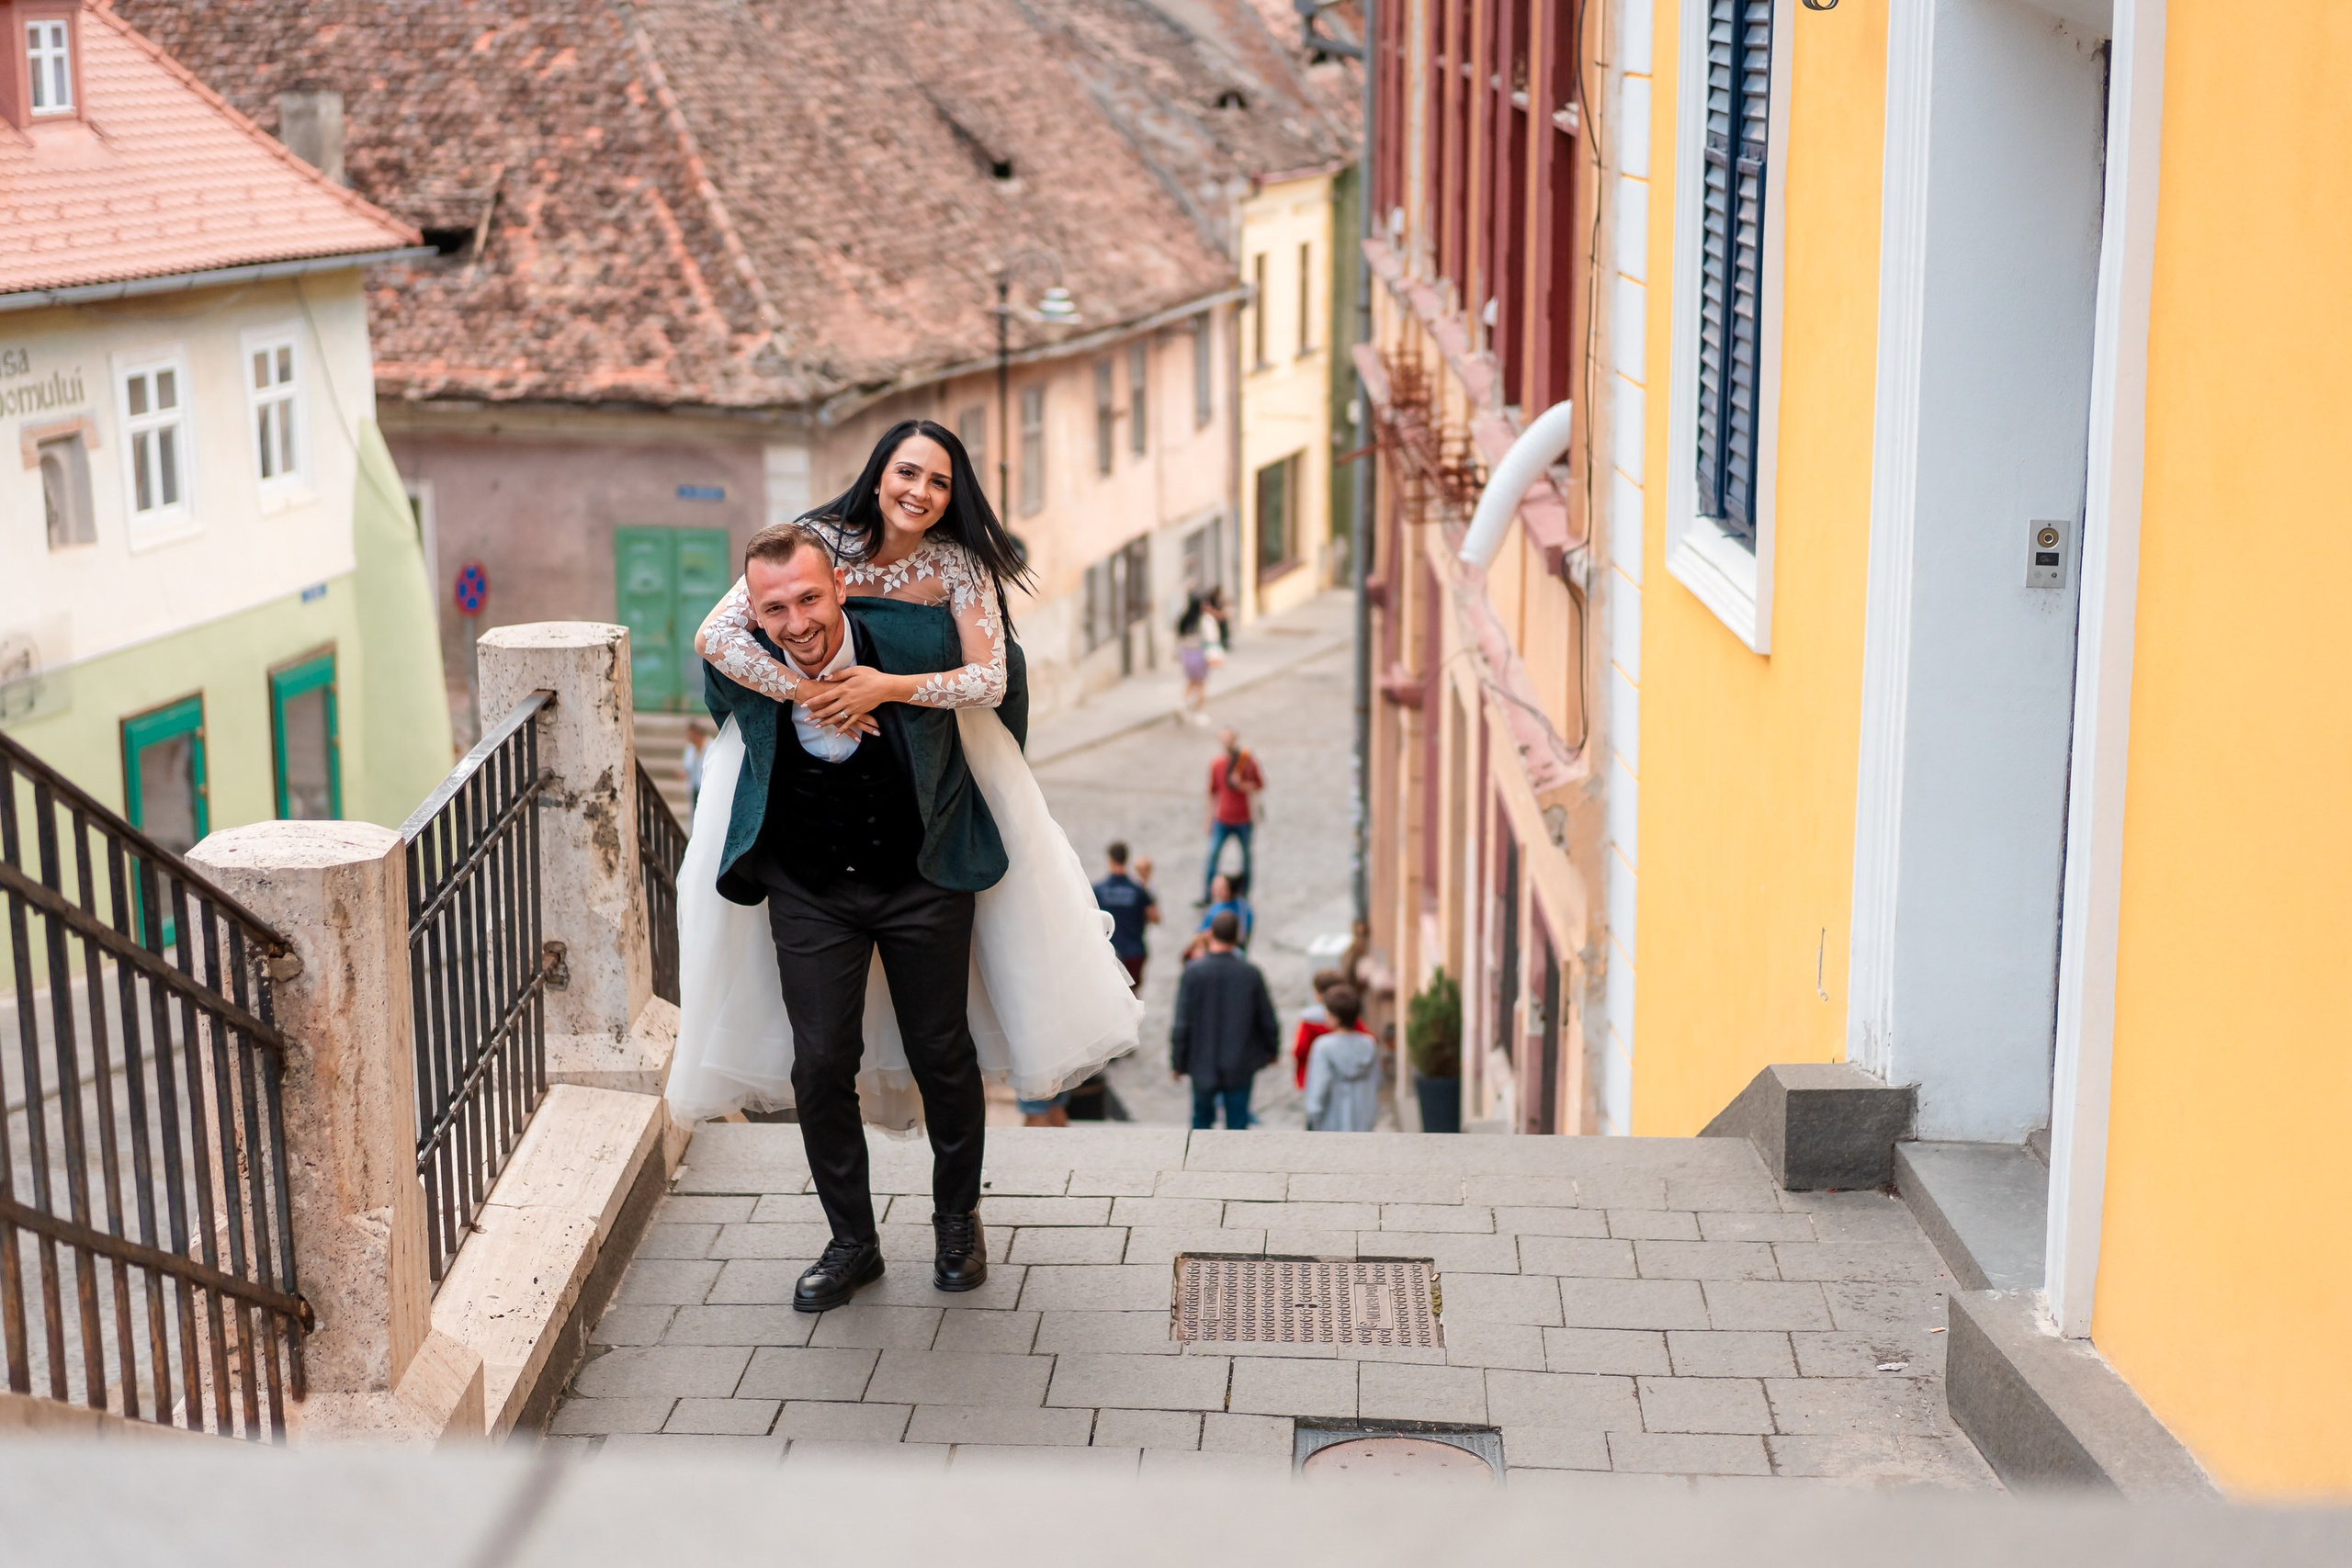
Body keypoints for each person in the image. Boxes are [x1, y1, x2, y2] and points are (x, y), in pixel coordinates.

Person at [663, 420, 1142, 1314]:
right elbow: (715, 636)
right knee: (819, 1063)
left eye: (938, 480)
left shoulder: (957, 568)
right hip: (808, 875)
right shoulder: (814, 547)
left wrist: (884, 688)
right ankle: (851, 1241)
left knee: (942, 1052)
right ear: (878, 473)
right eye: (906, 471)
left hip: (923, 860)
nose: (919, 491)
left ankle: (958, 1221)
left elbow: (991, 679)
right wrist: (812, 690)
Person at [1170, 908, 1276, 1130]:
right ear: (1238, 936)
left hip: (1201, 1061)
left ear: (1211, 934)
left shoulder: (1193, 973)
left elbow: (1182, 1022)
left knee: (1201, 1123)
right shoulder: (1250, 973)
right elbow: (1266, 1018)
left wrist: (1177, 1061)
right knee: (1237, 1125)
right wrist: (1271, 1050)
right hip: (1240, 1061)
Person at [1303, 986, 1379, 1132]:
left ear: (1335, 1018)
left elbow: (1318, 1087)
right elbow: (1377, 1081)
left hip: (1332, 1121)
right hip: (1363, 1119)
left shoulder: (1323, 1047)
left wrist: (1313, 1115)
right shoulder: (1369, 1044)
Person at [1202, 728, 1262, 904]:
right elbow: (1212, 793)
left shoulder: (1247, 762)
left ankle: (1244, 893)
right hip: (1222, 818)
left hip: (1243, 819)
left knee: (1246, 858)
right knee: (1213, 856)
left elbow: (1259, 785)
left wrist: (1241, 784)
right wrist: (1208, 820)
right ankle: (1209, 893)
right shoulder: (1217, 764)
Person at [1092, 840, 1158, 994]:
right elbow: (1155, 917)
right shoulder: (1138, 890)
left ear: (1109, 859)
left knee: (1109, 994)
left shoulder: (1099, 890)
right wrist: (1146, 883)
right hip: (1134, 951)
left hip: (1108, 952)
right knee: (1132, 996)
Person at [1173, 587, 1225, 725]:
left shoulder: (1184, 619)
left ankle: (1181, 705)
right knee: (1201, 684)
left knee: (1191, 682)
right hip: (1200, 654)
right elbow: (1211, 639)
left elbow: (1179, 637)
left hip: (1186, 654)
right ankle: (1198, 712)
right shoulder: (1205, 620)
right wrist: (1215, 656)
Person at [1292, 967, 1348, 1089]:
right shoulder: (1347, 1016)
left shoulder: (1309, 1020)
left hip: (1312, 1074)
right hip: (1341, 1073)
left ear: (1318, 995)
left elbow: (1300, 1050)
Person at [1185, 873, 1253, 959]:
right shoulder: (1217, 905)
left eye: (1219, 888)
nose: (1213, 890)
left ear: (1228, 890)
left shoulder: (1241, 909)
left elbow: (1241, 937)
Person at [681, 718, 710, 809]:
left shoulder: (711, 747)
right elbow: (687, 767)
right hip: (695, 788)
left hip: (708, 787)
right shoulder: (690, 749)